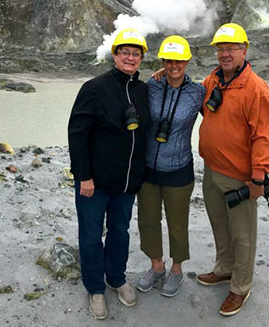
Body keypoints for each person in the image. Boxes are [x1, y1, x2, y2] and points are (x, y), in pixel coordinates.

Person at [68, 28, 150, 320]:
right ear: (115, 55)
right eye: (125, 52)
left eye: (136, 53)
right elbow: (77, 134)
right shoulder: (94, 88)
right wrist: (84, 175)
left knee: (120, 232)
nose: (130, 57)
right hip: (94, 182)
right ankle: (95, 288)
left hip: (126, 182)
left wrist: (139, 174)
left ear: (141, 58)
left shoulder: (143, 90)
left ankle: (115, 277)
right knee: (91, 235)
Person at [196, 22, 269, 317]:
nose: (225, 54)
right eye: (220, 49)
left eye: (231, 48)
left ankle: (240, 286)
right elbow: (195, 99)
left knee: (242, 234)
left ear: (244, 50)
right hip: (211, 171)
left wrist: (258, 176)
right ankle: (224, 269)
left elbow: (265, 135)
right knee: (220, 225)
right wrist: (162, 77)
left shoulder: (255, 88)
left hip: (240, 177)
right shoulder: (213, 81)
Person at [135, 36, 205, 298]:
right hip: (149, 169)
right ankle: (157, 266)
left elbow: (221, 110)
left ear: (187, 61)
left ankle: (176, 270)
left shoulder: (198, 91)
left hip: (180, 169)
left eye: (179, 60)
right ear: (162, 62)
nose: (174, 65)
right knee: (148, 221)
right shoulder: (150, 86)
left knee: (178, 224)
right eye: (169, 60)